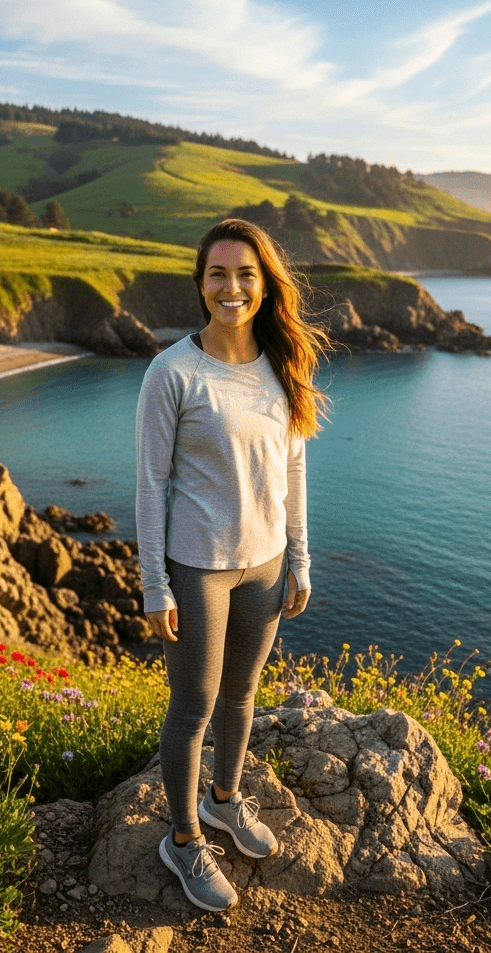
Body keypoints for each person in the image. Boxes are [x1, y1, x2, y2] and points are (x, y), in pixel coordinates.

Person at [134, 218, 331, 912]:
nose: (231, 287)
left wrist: (300, 559)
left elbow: (293, 469)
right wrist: (154, 584)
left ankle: (223, 800)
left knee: (242, 696)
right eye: (218, 274)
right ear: (200, 284)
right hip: (198, 568)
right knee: (193, 708)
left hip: (267, 566)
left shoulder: (283, 365)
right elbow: (150, 484)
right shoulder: (173, 372)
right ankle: (183, 838)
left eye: (245, 274)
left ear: (264, 284)